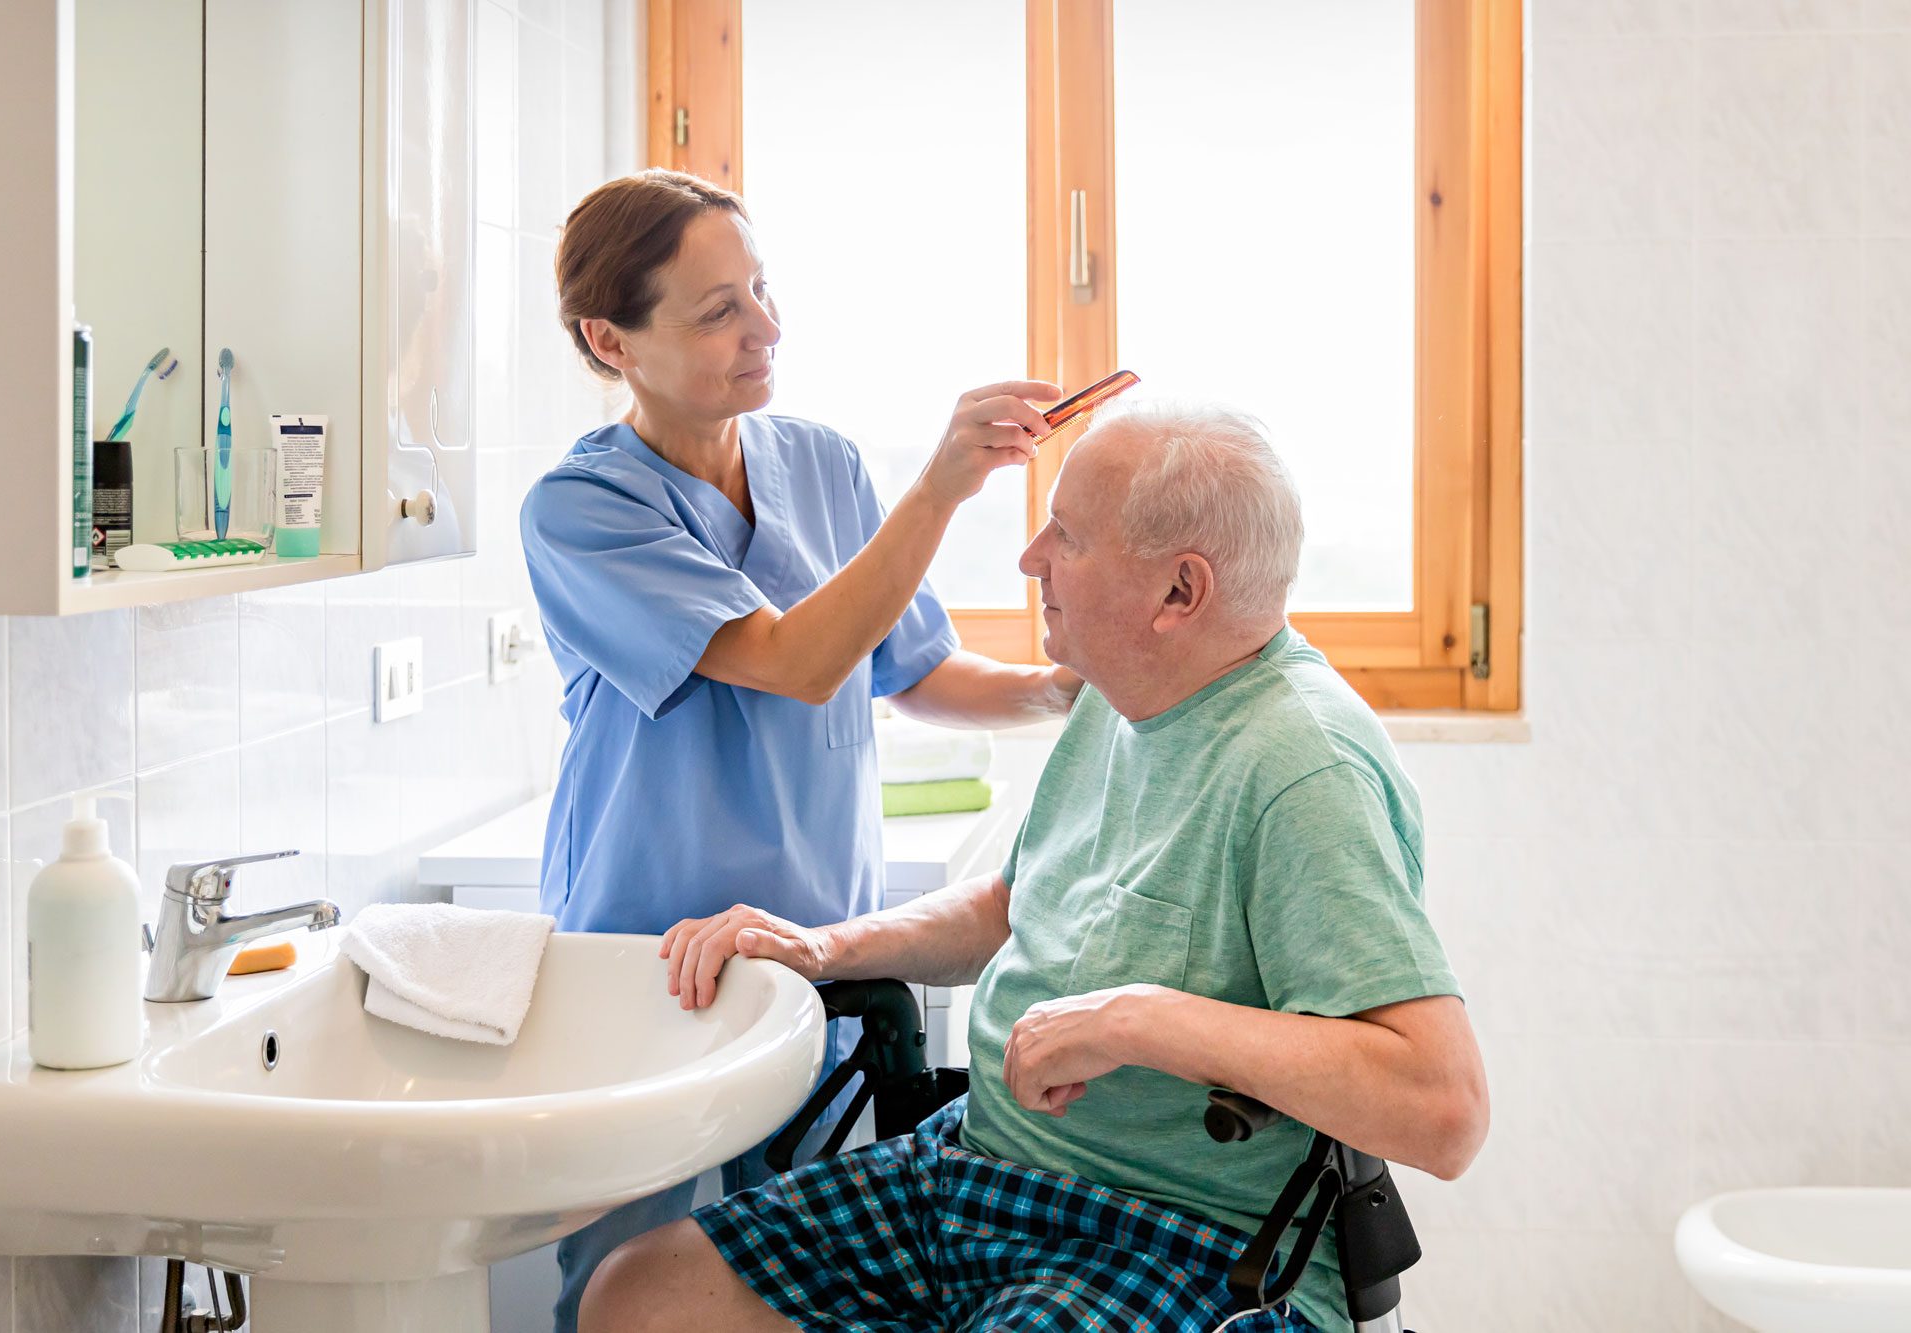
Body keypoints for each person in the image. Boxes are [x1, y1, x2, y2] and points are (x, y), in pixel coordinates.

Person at [579, 402, 1490, 1333]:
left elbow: (1444, 1109)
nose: (1030, 558)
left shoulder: (1302, 769)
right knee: (639, 1294)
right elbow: (1012, 906)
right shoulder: (1123, 692)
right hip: (979, 1172)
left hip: (1177, 1235)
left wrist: (1138, 1020)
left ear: (1180, 594)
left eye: (1070, 536)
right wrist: (820, 945)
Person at [519, 169, 1081, 1328]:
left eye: (761, 291)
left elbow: (911, 667)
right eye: (715, 308)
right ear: (607, 339)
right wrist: (942, 486)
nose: (763, 329)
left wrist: (1064, 689)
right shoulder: (580, 512)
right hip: (646, 972)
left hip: (809, 961)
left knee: (799, 1285)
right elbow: (793, 659)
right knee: (631, 1290)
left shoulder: (819, 462)